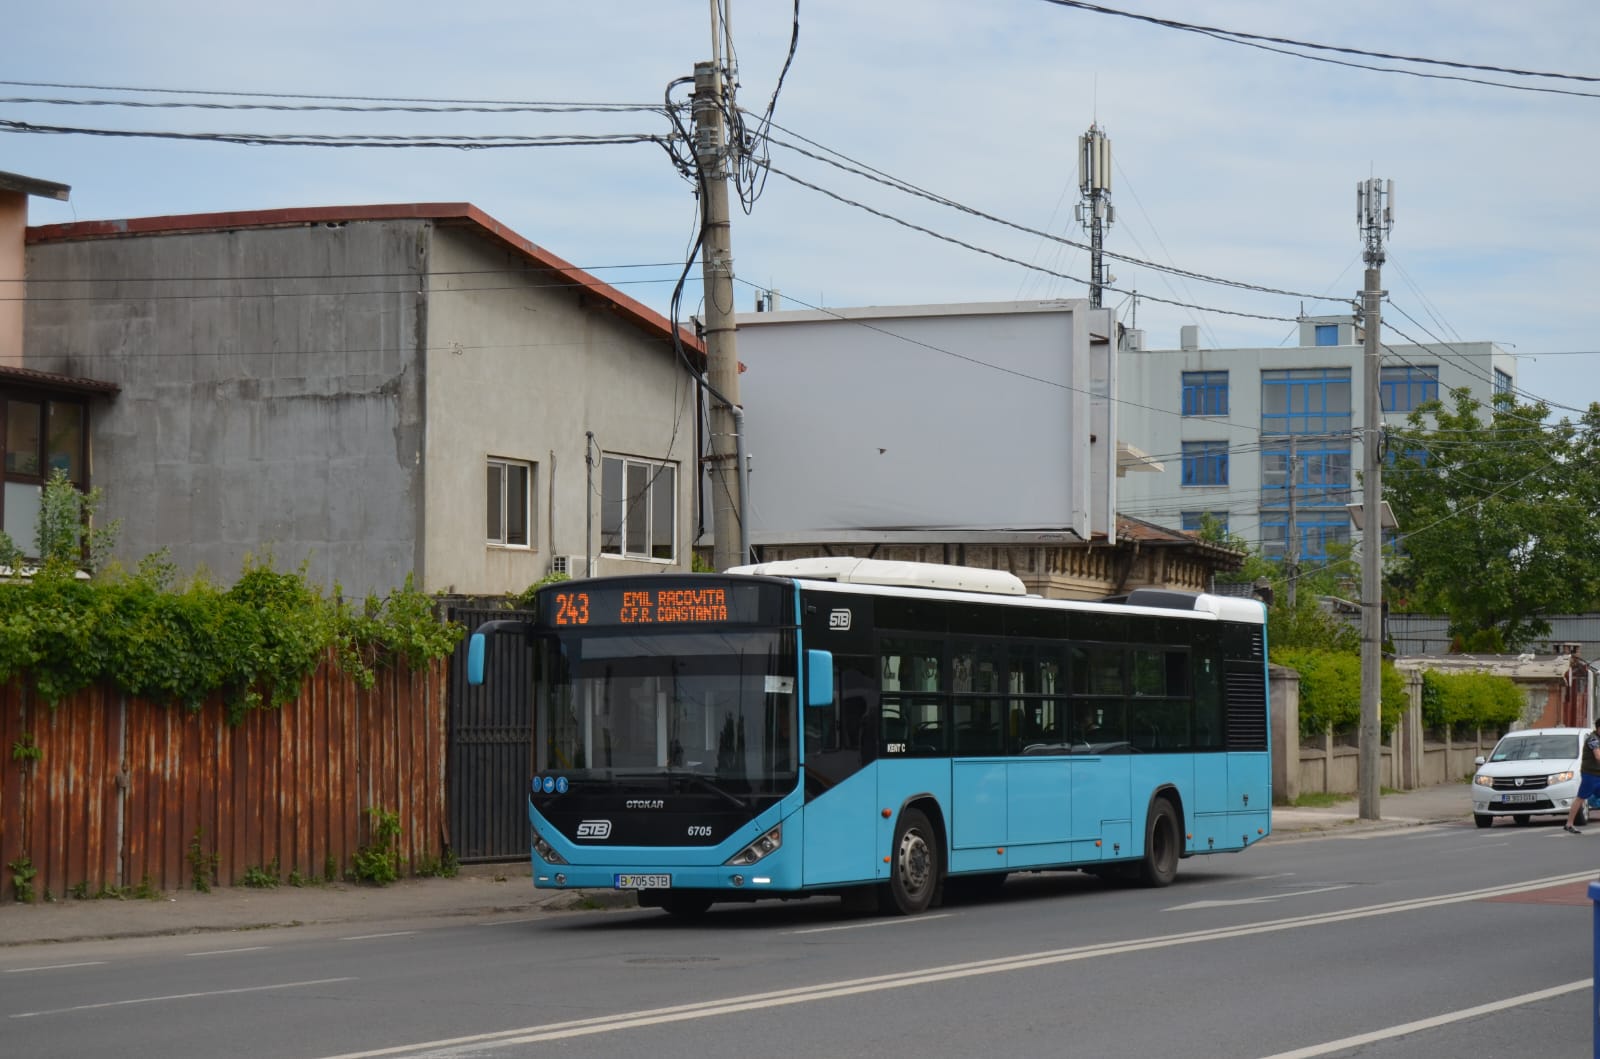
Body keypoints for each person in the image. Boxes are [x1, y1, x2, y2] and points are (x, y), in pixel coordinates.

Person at [1564, 720, 1600, 833]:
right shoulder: (1593, 739)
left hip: (1597, 774)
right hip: (1591, 774)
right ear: (1598, 728)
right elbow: (1598, 756)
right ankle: (1569, 824)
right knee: (1581, 798)